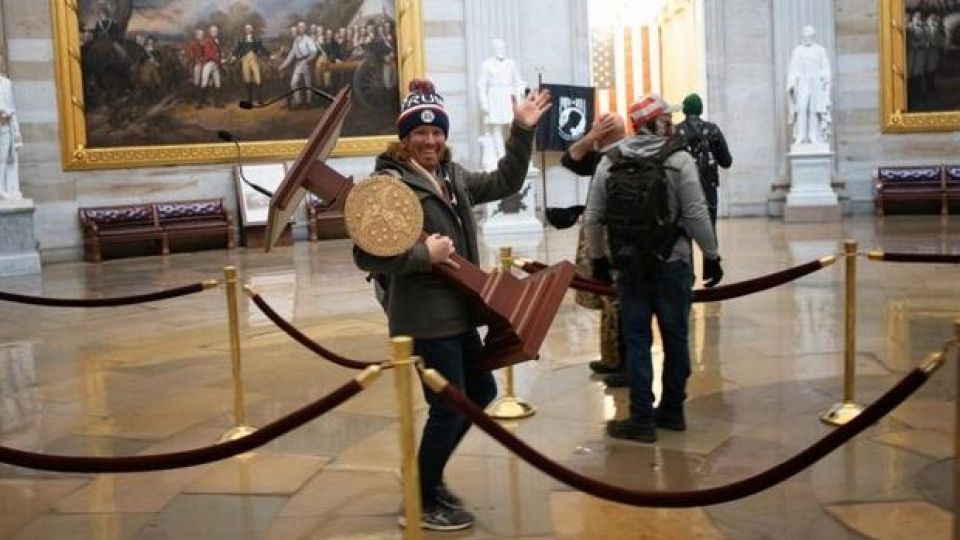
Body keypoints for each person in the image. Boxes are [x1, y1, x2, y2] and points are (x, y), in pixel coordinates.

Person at [353, 79, 551, 531]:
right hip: (424, 317)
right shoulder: (388, 185)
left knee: (479, 393)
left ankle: (428, 476)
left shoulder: (452, 176)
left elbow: (506, 180)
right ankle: (420, 498)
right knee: (449, 406)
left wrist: (522, 131)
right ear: (405, 138)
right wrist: (424, 255)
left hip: (459, 311)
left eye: (437, 132)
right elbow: (366, 255)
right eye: (420, 133)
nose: (430, 140)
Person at [583, 94, 723, 444]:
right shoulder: (679, 160)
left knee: (637, 342)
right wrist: (712, 254)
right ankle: (672, 411)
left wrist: (599, 260)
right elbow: (696, 213)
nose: (671, 123)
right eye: (666, 118)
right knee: (676, 339)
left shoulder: (610, 160)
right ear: (656, 122)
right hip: (672, 264)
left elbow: (593, 218)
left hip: (629, 267)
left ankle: (641, 418)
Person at [560, 113, 629, 383]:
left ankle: (624, 364)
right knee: (607, 299)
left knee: (617, 300)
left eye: (597, 129)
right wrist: (592, 137)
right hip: (602, 236)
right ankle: (611, 358)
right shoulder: (602, 156)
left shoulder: (621, 156)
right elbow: (570, 158)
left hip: (615, 238)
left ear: (605, 134)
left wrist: (593, 137)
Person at [674, 93, 732, 231]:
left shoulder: (676, 132)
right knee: (710, 231)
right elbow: (726, 162)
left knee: (684, 232)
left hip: (684, 187)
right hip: (708, 186)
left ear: (684, 110)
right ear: (701, 109)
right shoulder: (713, 130)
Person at [477, 38, 527, 165]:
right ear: (494, 49)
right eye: (499, 48)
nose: (501, 50)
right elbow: (481, 85)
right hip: (494, 96)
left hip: (508, 95)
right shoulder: (486, 64)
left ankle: (515, 153)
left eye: (503, 48)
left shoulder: (511, 63)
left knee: (513, 125)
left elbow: (518, 81)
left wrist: (520, 95)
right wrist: (484, 103)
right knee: (496, 127)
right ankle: (501, 154)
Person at [786, 26, 831, 148]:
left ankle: (813, 136)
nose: (807, 38)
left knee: (814, 110)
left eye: (809, 36)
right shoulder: (798, 51)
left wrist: (824, 77)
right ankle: (800, 137)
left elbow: (826, 68)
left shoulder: (820, 50)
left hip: (815, 82)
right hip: (802, 82)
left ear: (813, 36)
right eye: (805, 36)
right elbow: (793, 68)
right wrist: (792, 81)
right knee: (801, 108)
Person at [279, 21, 319, 109]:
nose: (301, 29)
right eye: (299, 27)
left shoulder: (308, 39)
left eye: (302, 27)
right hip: (298, 64)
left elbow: (314, 51)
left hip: (306, 63)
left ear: (305, 28)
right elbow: (291, 55)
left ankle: (309, 102)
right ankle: (298, 102)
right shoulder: (296, 40)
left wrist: (308, 60)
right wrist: (283, 66)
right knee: (293, 83)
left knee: (308, 84)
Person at [232, 24, 271, 105]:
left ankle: (259, 100)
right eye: (246, 28)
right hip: (245, 60)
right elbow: (237, 48)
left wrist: (269, 55)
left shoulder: (256, 39)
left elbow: (262, 48)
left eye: (249, 28)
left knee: (258, 78)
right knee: (247, 79)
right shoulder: (242, 39)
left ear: (252, 30)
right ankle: (249, 99)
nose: (247, 30)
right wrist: (234, 56)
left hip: (254, 59)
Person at [0, 73, 23, 200]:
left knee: (5, 158)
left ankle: (3, 188)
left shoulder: (6, 83)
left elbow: (12, 107)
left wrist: (16, 130)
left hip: (5, 127)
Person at [197, 25, 225, 108]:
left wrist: (221, 58)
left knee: (217, 83)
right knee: (204, 82)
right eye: (213, 31)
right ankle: (200, 103)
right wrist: (219, 60)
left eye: (216, 31)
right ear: (210, 32)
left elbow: (218, 53)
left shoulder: (217, 41)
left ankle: (217, 103)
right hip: (208, 64)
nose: (215, 32)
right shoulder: (207, 41)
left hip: (216, 64)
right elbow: (210, 54)